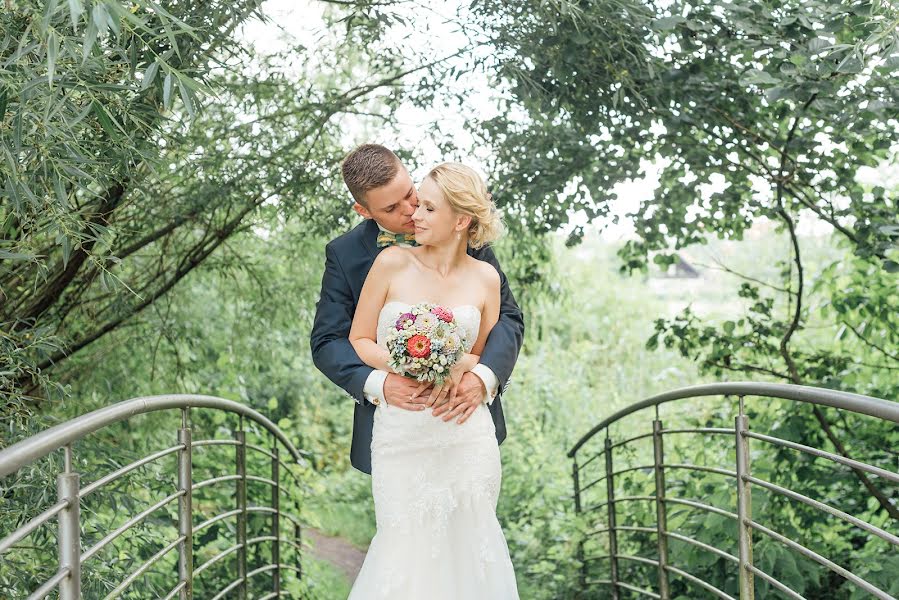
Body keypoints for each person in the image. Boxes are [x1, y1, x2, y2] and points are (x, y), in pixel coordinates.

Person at [346, 161, 519, 598]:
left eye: (425, 206)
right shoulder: (389, 263)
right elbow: (359, 338)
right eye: (413, 205)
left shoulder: (486, 278)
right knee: (403, 550)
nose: (414, 215)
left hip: (464, 432)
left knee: (471, 547)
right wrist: (404, 364)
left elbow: (485, 345)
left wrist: (469, 367)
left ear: (461, 220)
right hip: (402, 433)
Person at [310, 145, 524, 476]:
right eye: (392, 207)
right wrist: (379, 384)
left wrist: (481, 377)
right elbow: (328, 342)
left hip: (462, 417)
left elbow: (507, 320)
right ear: (364, 210)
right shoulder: (346, 254)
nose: (411, 211)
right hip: (397, 428)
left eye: (410, 194)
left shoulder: (456, 223)